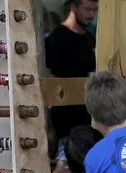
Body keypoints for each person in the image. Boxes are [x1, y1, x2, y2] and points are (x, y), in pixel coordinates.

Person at [44, 0, 98, 160]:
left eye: (94, 10)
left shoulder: (89, 38)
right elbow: (47, 77)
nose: (91, 15)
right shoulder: (56, 39)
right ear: (74, 7)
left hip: (88, 120)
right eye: (87, 9)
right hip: (65, 125)